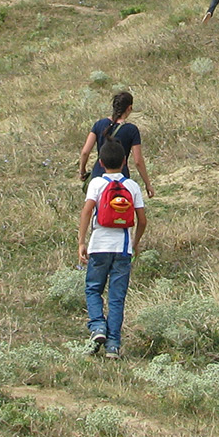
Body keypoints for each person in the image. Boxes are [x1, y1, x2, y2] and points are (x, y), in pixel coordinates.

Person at [78, 137, 146, 358]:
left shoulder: (96, 183)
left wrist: (81, 241)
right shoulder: (132, 186)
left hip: (99, 245)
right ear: (125, 161)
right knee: (117, 296)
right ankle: (113, 345)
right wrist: (135, 243)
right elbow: (142, 220)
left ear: (100, 162)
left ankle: (98, 326)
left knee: (93, 288)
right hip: (123, 248)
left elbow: (87, 212)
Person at [77, 90, 154, 196]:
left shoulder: (99, 124)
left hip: (99, 174)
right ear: (129, 108)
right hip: (121, 178)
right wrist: (147, 184)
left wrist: (82, 171)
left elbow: (85, 152)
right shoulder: (131, 130)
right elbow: (138, 161)